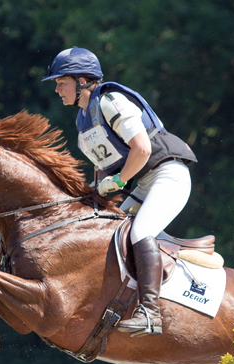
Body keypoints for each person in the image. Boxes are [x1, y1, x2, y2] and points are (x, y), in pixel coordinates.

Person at [42, 47, 197, 336]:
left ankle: (150, 313)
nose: (57, 88)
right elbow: (105, 167)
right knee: (106, 235)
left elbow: (142, 148)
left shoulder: (112, 101)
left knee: (140, 232)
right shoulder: (83, 118)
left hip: (168, 175)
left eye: (61, 81)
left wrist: (119, 182)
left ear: (83, 80)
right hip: (144, 184)